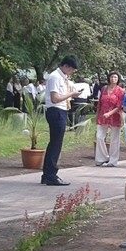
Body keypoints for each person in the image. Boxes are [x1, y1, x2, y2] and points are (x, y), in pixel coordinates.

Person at [42, 55, 80, 186]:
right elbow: (55, 98)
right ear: (66, 66)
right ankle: (51, 175)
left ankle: (47, 174)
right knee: (55, 144)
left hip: (60, 110)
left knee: (55, 143)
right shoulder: (55, 77)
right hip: (56, 110)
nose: (72, 72)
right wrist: (71, 94)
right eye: (71, 70)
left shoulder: (62, 78)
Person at [94, 71, 124, 167]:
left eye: (115, 77)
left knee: (114, 139)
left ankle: (113, 160)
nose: (113, 79)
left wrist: (110, 113)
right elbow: (100, 103)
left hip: (115, 116)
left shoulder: (121, 91)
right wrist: (97, 115)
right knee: (99, 137)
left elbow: (119, 106)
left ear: (118, 79)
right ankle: (102, 158)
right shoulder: (104, 89)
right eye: (112, 77)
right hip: (103, 115)